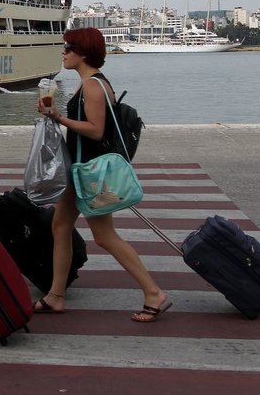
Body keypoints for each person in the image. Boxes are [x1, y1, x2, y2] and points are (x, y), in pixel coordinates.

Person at [35, 27, 171, 322]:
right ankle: (56, 295)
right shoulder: (90, 84)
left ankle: (153, 292)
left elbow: (96, 131)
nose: (64, 52)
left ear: (83, 53)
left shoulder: (93, 87)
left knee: (104, 236)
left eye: (69, 48)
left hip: (92, 172)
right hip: (80, 169)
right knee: (60, 226)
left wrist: (57, 117)